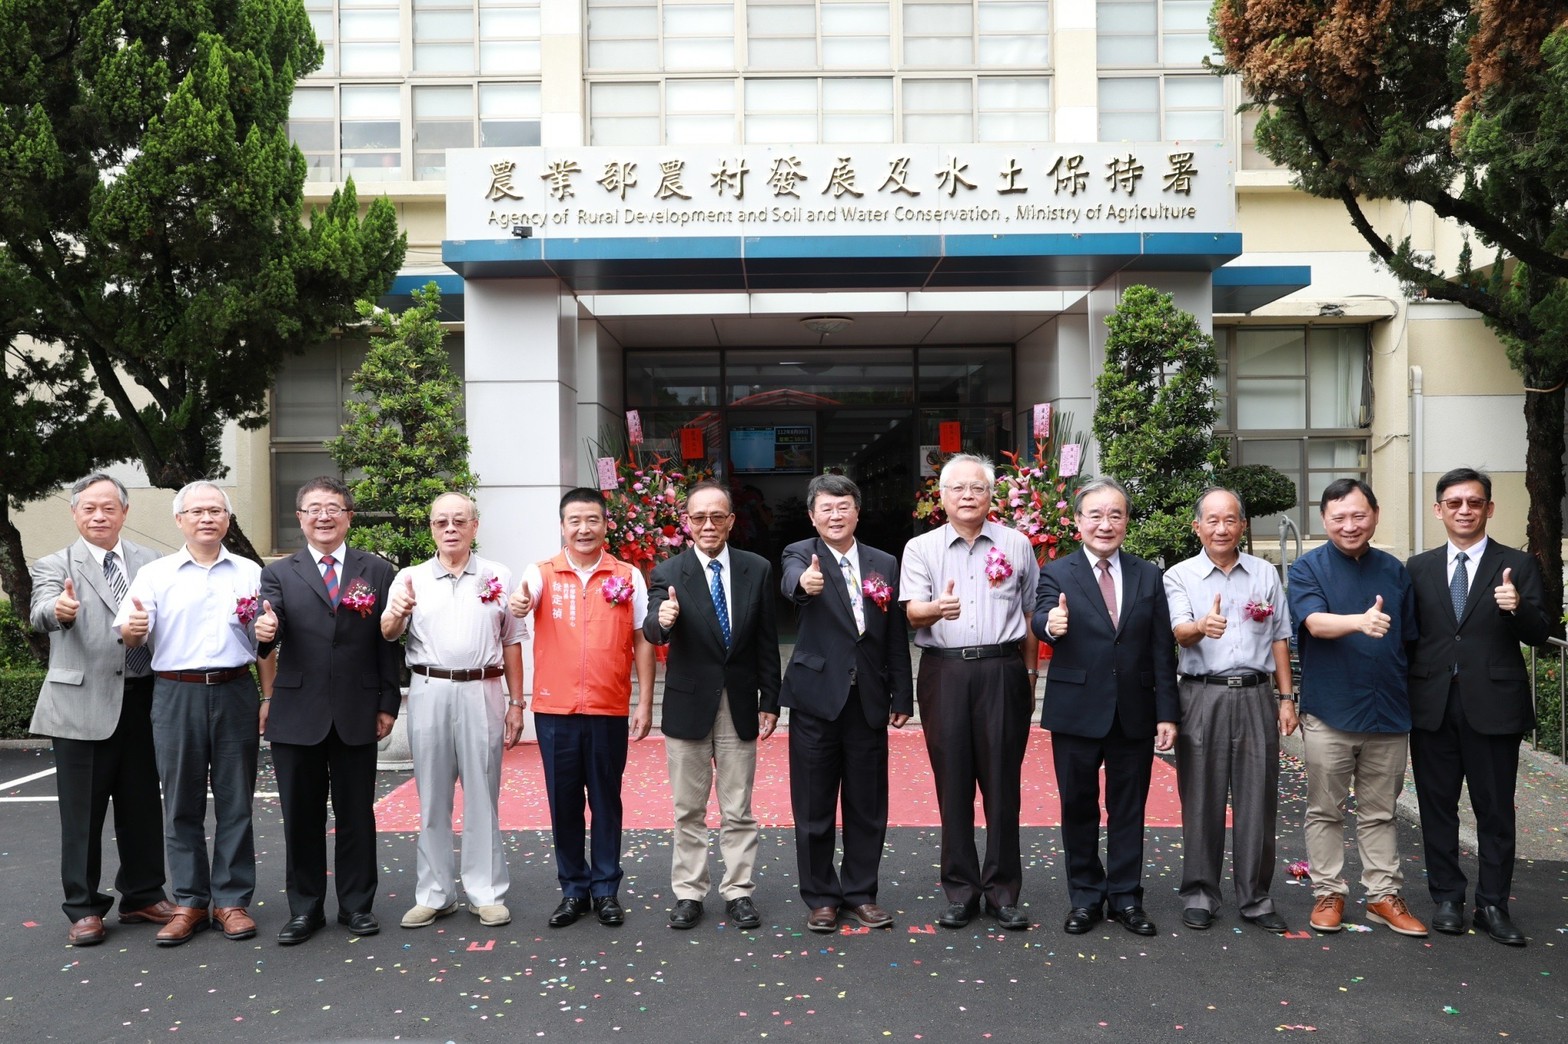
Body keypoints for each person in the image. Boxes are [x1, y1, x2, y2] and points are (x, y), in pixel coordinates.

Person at [115, 480, 275, 946]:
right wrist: (133, 630)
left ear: (227, 519)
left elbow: (265, 641)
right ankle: (189, 901)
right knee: (181, 804)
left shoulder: (249, 572)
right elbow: (130, 634)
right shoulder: (155, 574)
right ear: (179, 519)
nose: (207, 518)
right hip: (175, 693)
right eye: (197, 511)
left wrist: (268, 696)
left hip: (235, 690)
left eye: (216, 511)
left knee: (236, 802)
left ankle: (231, 901)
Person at [29, 473, 175, 946]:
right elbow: (40, 610)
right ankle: (84, 908)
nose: (99, 516)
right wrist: (60, 611)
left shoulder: (152, 562)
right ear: (74, 513)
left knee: (142, 805)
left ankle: (143, 895)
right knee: (82, 815)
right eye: (89, 508)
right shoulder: (54, 563)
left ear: (124, 512)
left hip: (144, 699)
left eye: (108, 507)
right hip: (81, 704)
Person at [1406, 468, 1549, 946]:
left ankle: (1493, 905)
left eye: (1474, 502)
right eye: (1454, 502)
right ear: (1438, 510)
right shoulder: (1418, 568)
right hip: (1432, 706)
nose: (1464, 510)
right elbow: (1411, 638)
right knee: (1437, 808)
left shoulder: (1518, 564)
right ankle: (1447, 897)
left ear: (1489, 508)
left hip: (1494, 707)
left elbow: (1539, 634)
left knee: (1495, 812)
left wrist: (1517, 606)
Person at [256, 477, 401, 944]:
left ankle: (357, 905)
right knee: (302, 816)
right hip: (297, 711)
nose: (324, 516)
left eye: (333, 508)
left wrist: (388, 702)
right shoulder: (280, 573)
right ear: (300, 518)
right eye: (314, 508)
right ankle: (305, 909)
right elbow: (270, 626)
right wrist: (265, 631)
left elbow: (387, 643)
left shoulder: (376, 570)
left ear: (348, 517)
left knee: (357, 814)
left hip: (358, 709)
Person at [1033, 476, 1178, 937]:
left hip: (1134, 710)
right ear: (1078, 522)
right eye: (1095, 515)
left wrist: (1167, 712)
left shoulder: (1148, 574)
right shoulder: (1058, 572)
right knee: (1078, 807)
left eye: (1115, 514)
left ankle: (1126, 898)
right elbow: (1041, 615)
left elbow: (1162, 649)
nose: (1105, 524)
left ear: (1127, 521)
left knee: (1128, 808)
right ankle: (1085, 898)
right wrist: (1051, 623)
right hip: (1076, 709)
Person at [901, 453, 1040, 932]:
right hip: (945, 672)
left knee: (1003, 785)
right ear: (941, 497)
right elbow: (911, 611)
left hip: (1003, 669)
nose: (967, 496)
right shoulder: (921, 547)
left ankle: (1003, 892)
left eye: (977, 488)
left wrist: (1029, 674)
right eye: (957, 488)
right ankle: (960, 890)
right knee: (953, 783)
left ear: (990, 495)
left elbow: (1030, 613)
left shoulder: (1017, 543)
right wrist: (936, 609)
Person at [508, 488, 656, 928]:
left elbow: (643, 638)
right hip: (555, 710)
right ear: (562, 526)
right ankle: (573, 889)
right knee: (564, 802)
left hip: (609, 707)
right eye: (574, 520)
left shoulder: (627, 575)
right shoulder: (541, 573)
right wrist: (519, 603)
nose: (584, 529)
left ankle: (606, 890)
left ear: (606, 524)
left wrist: (644, 701)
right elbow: (522, 602)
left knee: (607, 801)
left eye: (592, 520)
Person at [1287, 478, 1426, 937]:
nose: (1350, 525)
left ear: (1376, 516)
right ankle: (1328, 891)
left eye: (1359, 515)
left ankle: (1383, 896)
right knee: (1326, 809)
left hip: (1389, 710)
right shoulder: (1307, 568)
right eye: (1339, 517)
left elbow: (1410, 639)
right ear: (1324, 520)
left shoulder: (1395, 570)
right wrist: (1360, 621)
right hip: (1331, 711)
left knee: (1380, 812)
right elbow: (1314, 623)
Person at [381, 492, 526, 929]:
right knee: (432, 796)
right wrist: (396, 613)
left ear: (474, 526)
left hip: (483, 688)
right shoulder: (410, 578)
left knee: (483, 793)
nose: (450, 528)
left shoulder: (497, 575)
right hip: (429, 688)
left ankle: (487, 893)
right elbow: (388, 633)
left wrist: (517, 702)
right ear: (431, 528)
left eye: (459, 521)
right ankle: (434, 893)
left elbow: (512, 641)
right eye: (441, 521)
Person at [779, 475, 914, 933]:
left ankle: (860, 893)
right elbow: (793, 582)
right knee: (813, 805)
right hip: (817, 699)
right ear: (812, 516)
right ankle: (821, 897)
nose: (835, 516)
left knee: (867, 805)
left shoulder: (884, 562)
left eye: (843, 507)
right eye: (826, 509)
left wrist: (902, 692)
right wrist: (805, 583)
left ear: (857, 511)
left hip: (869, 698)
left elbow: (894, 633)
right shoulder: (800, 554)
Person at [644, 480, 781, 931]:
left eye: (717, 516)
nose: (708, 525)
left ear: (731, 521)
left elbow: (766, 640)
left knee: (738, 807)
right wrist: (662, 620)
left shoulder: (756, 568)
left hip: (740, 702)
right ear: (686, 522)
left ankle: (739, 891)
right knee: (688, 809)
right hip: (688, 705)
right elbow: (652, 627)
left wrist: (770, 699)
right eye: (699, 517)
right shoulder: (668, 572)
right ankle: (689, 892)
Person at [1163, 487, 1295, 934]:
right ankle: (1200, 894)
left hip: (1257, 695)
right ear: (1197, 526)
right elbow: (1180, 632)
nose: (1221, 529)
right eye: (1212, 520)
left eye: (1230, 519)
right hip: (1202, 695)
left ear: (1243, 525)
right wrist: (1203, 626)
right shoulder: (1179, 575)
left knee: (1258, 799)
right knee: (1201, 798)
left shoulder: (1264, 573)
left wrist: (1286, 698)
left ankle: (1255, 897)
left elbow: (1279, 637)